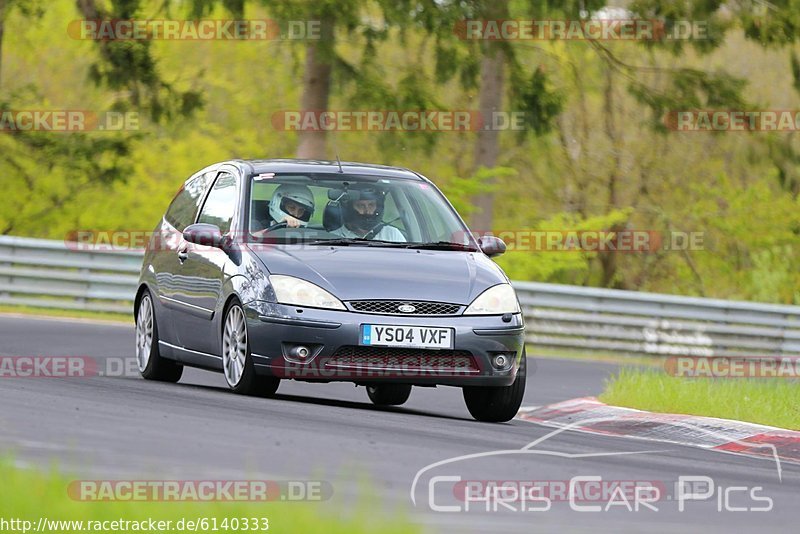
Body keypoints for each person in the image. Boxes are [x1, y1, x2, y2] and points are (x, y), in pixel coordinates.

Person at [333, 186, 405, 241]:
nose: (367, 211)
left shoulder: (392, 234)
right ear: (349, 208)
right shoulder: (334, 237)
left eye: (371, 205)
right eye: (361, 205)